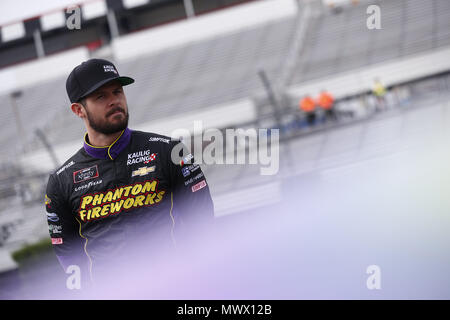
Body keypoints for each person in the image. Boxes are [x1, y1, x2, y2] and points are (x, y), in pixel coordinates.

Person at [44, 58, 214, 287]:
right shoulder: (61, 181)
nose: (114, 101)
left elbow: (202, 224)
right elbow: (69, 257)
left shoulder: (171, 151)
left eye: (117, 92)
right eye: (101, 97)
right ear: (78, 110)